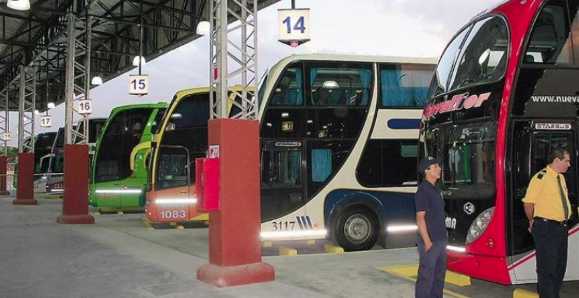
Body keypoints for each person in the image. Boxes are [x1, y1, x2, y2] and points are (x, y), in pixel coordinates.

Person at [522, 148, 572, 298]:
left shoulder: (560, 177)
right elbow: (528, 203)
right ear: (557, 160)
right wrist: (532, 221)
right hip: (546, 228)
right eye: (566, 161)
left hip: (561, 228)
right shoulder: (540, 178)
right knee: (547, 268)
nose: (569, 164)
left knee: (559, 267)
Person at [415, 156, 447, 298]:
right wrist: (427, 242)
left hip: (441, 240)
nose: (439, 168)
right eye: (435, 167)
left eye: (438, 166)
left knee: (439, 277)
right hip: (430, 242)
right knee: (426, 278)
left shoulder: (436, 189)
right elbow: (420, 219)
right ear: (427, 171)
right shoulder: (422, 191)